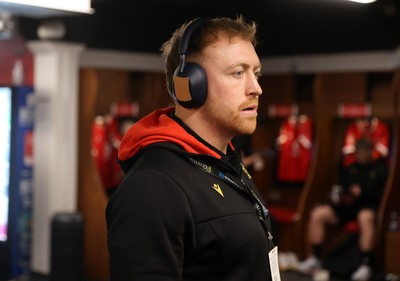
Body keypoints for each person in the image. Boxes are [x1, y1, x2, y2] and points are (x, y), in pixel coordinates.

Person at [106, 16, 276, 281]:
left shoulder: (229, 164)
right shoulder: (153, 186)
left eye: (256, 73)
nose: (256, 88)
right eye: (238, 73)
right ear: (189, 85)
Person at [297, 137, 388, 280]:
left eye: (364, 152)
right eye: (359, 152)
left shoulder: (380, 168)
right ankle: (316, 257)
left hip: (367, 205)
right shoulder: (350, 167)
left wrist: (363, 190)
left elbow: (381, 194)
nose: (361, 155)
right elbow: (342, 186)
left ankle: (365, 265)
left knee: (366, 217)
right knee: (318, 214)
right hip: (347, 207)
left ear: (371, 152)